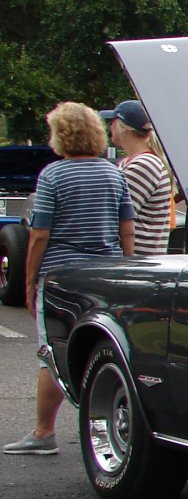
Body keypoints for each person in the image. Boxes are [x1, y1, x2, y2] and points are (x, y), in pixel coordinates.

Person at [5, 102, 134, 456]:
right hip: (106, 273)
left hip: (62, 274)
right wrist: (127, 267)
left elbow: (40, 235)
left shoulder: (53, 175)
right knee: (100, 347)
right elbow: (126, 229)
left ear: (61, 135)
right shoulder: (113, 173)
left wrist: (30, 283)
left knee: (52, 351)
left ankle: (43, 433)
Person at [102, 98, 172, 255]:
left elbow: (115, 216)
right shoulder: (132, 162)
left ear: (123, 128)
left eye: (112, 121)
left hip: (137, 264)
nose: (109, 126)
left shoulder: (143, 165)